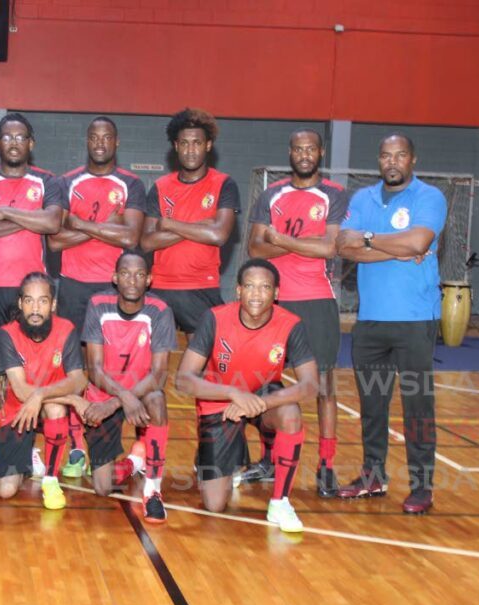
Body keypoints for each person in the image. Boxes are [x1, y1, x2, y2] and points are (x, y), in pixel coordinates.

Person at [335, 134, 446, 514]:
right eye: (386, 155)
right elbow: (344, 247)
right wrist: (395, 246)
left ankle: (422, 485)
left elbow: (417, 243)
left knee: (418, 407)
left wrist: (369, 239)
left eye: (400, 155)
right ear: (378, 160)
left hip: (415, 320)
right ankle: (373, 474)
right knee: (372, 404)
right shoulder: (362, 198)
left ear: (412, 159)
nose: (392, 161)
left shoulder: (429, 197)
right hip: (370, 322)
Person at [175, 259, 319, 533]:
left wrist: (259, 403)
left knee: (290, 413)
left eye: (264, 287)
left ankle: (280, 501)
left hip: (263, 397)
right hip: (219, 397)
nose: (256, 294)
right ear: (238, 290)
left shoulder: (290, 324)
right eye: (249, 286)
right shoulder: (215, 318)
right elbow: (183, 379)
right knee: (215, 504)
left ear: (276, 293)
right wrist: (233, 394)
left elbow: (310, 385)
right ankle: (210, 455)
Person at [246, 129, 348, 496]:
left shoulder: (334, 194)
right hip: (274, 302)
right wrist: (300, 245)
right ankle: (267, 461)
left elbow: (329, 248)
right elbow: (253, 248)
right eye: (298, 149)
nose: (304, 154)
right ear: (290, 152)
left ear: (320, 152)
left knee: (323, 387)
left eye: (311, 148)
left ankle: (327, 466)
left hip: (317, 300)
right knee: (263, 383)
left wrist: (281, 240)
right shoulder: (271, 195)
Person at [50, 116, 146, 476]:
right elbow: (55, 240)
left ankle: (140, 447)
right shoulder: (67, 182)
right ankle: (76, 447)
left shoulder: (131, 185)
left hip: (116, 288)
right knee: (78, 367)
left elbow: (130, 239)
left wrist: (81, 224)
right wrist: (110, 226)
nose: (100, 142)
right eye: (94, 136)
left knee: (128, 367)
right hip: (74, 284)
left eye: (107, 137)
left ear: (116, 142)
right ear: (86, 141)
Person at [82, 252, 176, 523]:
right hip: (105, 393)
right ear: (114, 278)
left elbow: (158, 375)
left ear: (149, 279)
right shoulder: (98, 305)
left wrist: (119, 402)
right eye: (125, 273)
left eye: (139, 274)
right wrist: (119, 398)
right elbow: (94, 370)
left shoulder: (159, 311)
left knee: (157, 398)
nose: (132, 280)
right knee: (102, 487)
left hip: (141, 394)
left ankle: (153, 490)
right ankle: (136, 460)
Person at [140, 108, 240, 338]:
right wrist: (202, 225)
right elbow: (146, 242)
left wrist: (169, 224)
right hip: (161, 286)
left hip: (201, 285)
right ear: (175, 146)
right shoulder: (160, 186)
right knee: (158, 363)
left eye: (197, 143)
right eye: (184, 143)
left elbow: (218, 236)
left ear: (208, 145)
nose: (190, 150)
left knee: (201, 361)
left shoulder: (224, 184)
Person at [0, 273, 87, 509]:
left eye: (43, 301)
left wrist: (40, 396)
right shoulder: (7, 334)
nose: (35, 308)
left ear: (53, 304)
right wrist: (71, 399)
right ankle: (27, 456)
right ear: (20, 303)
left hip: (47, 407)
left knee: (54, 408)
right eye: (29, 301)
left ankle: (51, 478)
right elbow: (22, 390)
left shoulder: (66, 330)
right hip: (19, 410)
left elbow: (78, 379)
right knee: (5, 491)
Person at [0, 113, 64, 330]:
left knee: (29, 355)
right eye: (7, 137)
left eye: (20, 137)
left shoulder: (47, 180)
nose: (14, 143)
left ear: (31, 143)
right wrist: (33, 217)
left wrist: (5, 211)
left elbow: (53, 223)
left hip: (32, 287)